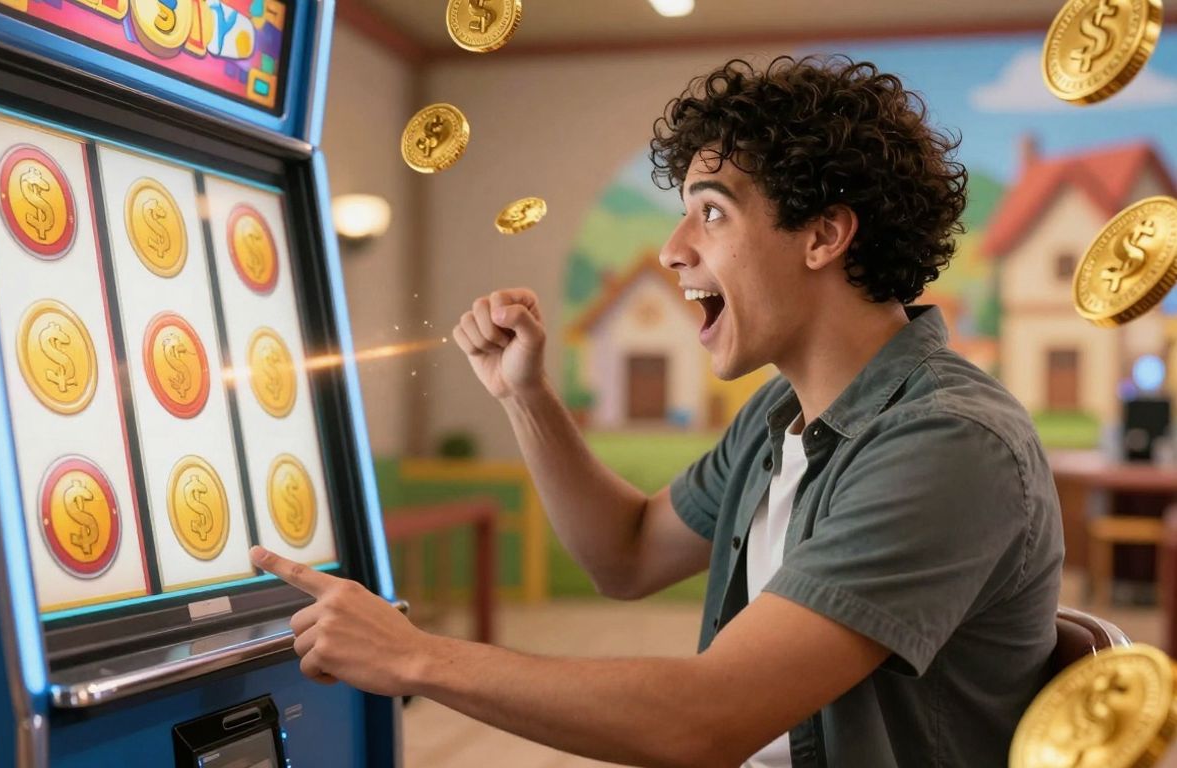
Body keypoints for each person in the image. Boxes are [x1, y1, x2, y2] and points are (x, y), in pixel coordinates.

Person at [250, 55, 1063, 767]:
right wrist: (526, 397)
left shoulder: (948, 441)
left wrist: (416, 659)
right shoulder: (781, 412)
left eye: (711, 211)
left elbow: (707, 721)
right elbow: (627, 554)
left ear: (823, 236)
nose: (673, 249)